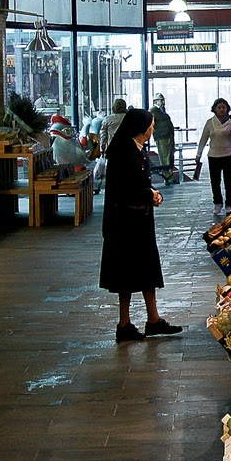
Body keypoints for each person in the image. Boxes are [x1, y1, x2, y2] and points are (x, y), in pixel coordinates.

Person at [99, 107, 183, 342]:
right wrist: (149, 194)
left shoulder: (137, 150)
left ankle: (153, 319)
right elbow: (124, 189)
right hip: (125, 223)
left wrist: (153, 195)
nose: (153, 128)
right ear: (142, 128)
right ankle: (124, 323)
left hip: (140, 220)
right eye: (151, 124)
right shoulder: (122, 153)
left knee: (147, 270)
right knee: (125, 274)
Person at [195, 98, 231, 216]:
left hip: (229, 155)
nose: (221, 110)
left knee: (229, 181)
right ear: (214, 109)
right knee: (215, 181)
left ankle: (230, 204)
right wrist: (198, 154)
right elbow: (203, 139)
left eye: (223, 107)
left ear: (227, 108)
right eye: (219, 107)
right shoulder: (210, 122)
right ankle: (217, 203)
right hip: (213, 156)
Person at [151, 93, 177, 184]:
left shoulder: (162, 111)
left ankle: (170, 176)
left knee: (169, 157)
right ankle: (168, 177)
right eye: (160, 100)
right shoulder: (153, 111)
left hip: (168, 136)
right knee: (165, 157)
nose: (163, 102)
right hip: (162, 137)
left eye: (163, 100)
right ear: (155, 101)